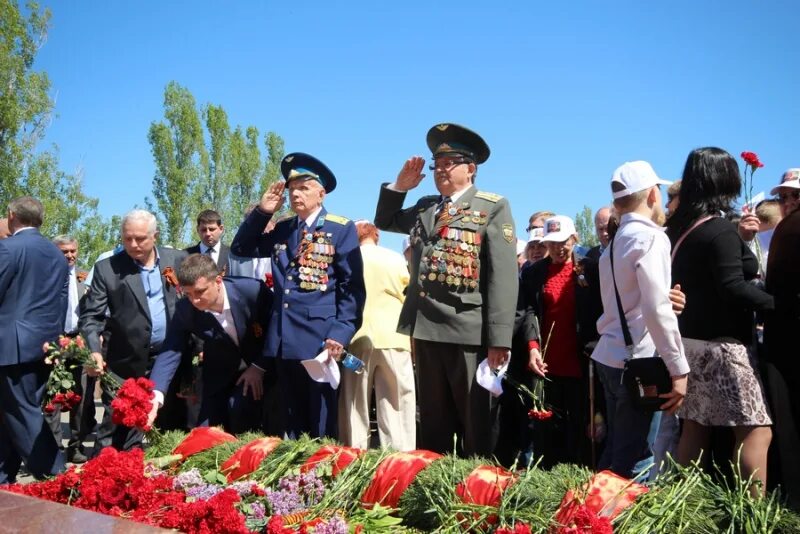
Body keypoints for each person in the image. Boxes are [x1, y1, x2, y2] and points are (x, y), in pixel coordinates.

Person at [374, 123, 518, 457]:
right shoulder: (426, 206)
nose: (441, 170)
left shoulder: (491, 207)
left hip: (468, 331)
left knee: (475, 424)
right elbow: (385, 220)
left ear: (471, 168)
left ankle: (478, 495)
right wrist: (399, 186)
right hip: (425, 329)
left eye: (450, 163)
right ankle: (432, 491)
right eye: (437, 164)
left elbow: (502, 276)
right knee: (434, 425)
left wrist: (499, 339)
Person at [231, 152, 365, 439]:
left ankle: (320, 480)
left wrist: (341, 333)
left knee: (321, 422)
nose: (296, 194)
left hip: (320, 339)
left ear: (322, 193)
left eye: (304, 188)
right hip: (283, 339)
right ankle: (293, 481)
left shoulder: (340, 229)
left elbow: (350, 287)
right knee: (289, 421)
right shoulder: (283, 229)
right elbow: (241, 248)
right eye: (292, 189)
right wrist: (263, 212)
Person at [666, 147, 773, 496]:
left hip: (691, 346)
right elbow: (733, 288)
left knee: (695, 427)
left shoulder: (681, 230)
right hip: (724, 347)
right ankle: (755, 515)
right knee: (756, 430)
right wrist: (779, 305)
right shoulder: (719, 230)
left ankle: (682, 506)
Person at [590, 161, 689, 480]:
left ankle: (594, 523)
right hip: (639, 364)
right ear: (651, 195)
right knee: (637, 464)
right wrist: (679, 368)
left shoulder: (613, 244)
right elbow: (656, 309)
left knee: (616, 456)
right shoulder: (650, 238)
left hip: (610, 357)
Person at [80, 209, 189, 452]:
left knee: (171, 430)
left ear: (155, 236)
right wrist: (93, 350)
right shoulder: (108, 269)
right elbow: (91, 316)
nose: (133, 244)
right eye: (127, 238)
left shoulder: (178, 260)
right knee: (117, 431)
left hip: (169, 358)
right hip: (125, 363)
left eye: (140, 238)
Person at [147, 254, 275, 434]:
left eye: (200, 292)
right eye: (188, 294)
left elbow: (277, 328)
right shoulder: (186, 309)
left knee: (241, 416)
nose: (195, 300)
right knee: (204, 434)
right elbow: (171, 348)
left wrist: (259, 367)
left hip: (261, 369)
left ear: (218, 281)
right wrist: (156, 393)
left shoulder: (252, 291)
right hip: (219, 373)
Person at [518, 215, 603, 468]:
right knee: (547, 433)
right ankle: (547, 481)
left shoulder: (591, 269)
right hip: (547, 365)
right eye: (552, 242)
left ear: (574, 239)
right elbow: (529, 312)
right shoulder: (534, 272)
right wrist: (532, 346)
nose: (558, 248)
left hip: (581, 363)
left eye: (563, 242)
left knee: (578, 429)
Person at [0, 197, 68, 483]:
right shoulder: (56, 255)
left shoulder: (8, 247)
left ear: (11, 214)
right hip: (43, 346)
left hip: (10, 345)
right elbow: (62, 302)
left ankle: (56, 474)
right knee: (11, 412)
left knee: (22, 411)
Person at [338, 221, 416, 451]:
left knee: (355, 402)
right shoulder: (395, 259)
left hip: (356, 341)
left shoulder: (346, 258)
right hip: (395, 338)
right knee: (397, 402)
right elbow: (409, 298)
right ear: (377, 235)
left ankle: (353, 457)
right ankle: (399, 459)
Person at [763, 175, 800, 506]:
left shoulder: (788, 232)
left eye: (796, 195)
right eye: (785, 196)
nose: (789, 201)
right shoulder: (778, 234)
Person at [44, 235, 96, 464]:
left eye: (73, 251)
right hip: (54, 341)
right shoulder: (45, 276)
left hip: (79, 341)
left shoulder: (85, 276)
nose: (70, 255)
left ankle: (75, 445)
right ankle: (54, 448)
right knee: (52, 397)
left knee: (82, 396)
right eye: (64, 251)